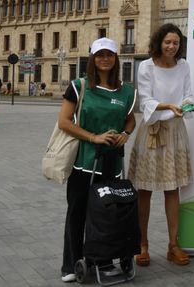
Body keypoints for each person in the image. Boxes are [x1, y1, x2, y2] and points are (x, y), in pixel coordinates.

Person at [57, 38, 136, 283]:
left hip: (111, 163)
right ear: (92, 58)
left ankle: (104, 260)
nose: (105, 59)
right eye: (100, 55)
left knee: (107, 214)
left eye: (109, 55)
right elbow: (65, 122)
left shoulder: (126, 90)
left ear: (115, 58)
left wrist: (125, 134)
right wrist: (93, 136)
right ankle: (71, 263)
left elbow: (130, 118)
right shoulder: (79, 86)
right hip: (84, 162)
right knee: (77, 211)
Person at [127, 24, 194, 267]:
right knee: (144, 190)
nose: (172, 46)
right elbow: (146, 100)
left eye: (176, 43)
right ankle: (142, 244)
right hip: (152, 130)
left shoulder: (184, 65)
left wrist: (187, 105)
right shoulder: (146, 66)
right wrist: (169, 107)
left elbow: (187, 93)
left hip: (176, 129)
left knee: (172, 188)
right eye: (168, 42)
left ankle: (173, 245)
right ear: (159, 42)